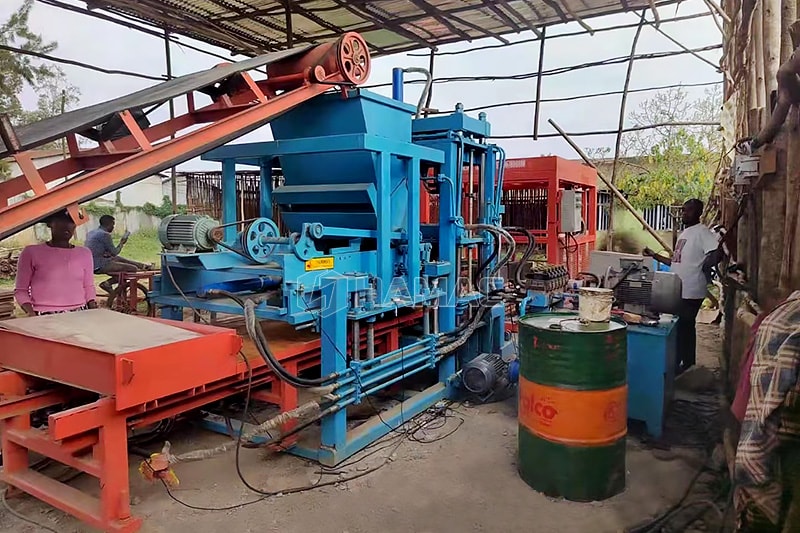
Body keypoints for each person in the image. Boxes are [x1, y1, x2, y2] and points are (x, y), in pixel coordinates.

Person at [644, 198, 721, 374]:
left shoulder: (702, 232)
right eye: (684, 210)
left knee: (685, 327)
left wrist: (705, 266)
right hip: (680, 289)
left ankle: (687, 366)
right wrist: (655, 255)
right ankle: (682, 363)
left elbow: (717, 253)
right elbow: (675, 262)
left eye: (689, 210)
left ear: (699, 213)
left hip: (692, 289)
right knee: (680, 327)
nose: (684, 213)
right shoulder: (685, 233)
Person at [14, 210, 98, 316]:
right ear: (50, 224)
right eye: (61, 221)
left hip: (79, 313)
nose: (67, 226)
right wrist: (31, 314)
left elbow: (88, 286)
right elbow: (21, 290)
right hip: (44, 315)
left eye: (72, 222)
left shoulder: (84, 253)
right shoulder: (31, 252)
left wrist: (93, 310)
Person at [84, 215, 151, 293]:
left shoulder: (91, 232)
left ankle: (143, 266)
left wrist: (106, 253)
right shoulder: (105, 235)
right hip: (99, 265)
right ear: (108, 224)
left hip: (90, 263)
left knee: (118, 259)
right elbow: (114, 252)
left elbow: (98, 249)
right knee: (132, 269)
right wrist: (122, 243)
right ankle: (107, 283)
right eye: (113, 225)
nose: (113, 227)